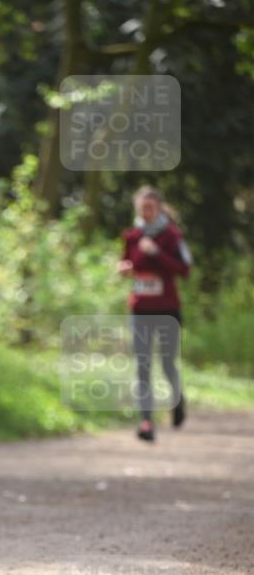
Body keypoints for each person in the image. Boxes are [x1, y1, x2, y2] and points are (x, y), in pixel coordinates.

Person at [118, 186, 191, 442]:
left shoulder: (172, 235)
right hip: (140, 309)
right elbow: (129, 262)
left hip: (168, 309)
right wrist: (124, 268)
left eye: (150, 207)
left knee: (167, 362)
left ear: (159, 208)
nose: (145, 212)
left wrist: (157, 254)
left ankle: (177, 400)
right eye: (142, 208)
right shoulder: (132, 236)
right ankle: (147, 422)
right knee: (143, 364)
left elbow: (184, 269)